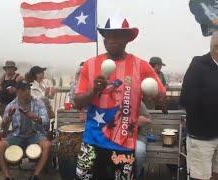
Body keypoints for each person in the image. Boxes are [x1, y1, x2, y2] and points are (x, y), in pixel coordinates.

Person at [74, 14, 166, 180]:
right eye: (108, 35)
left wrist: (155, 94)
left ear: (127, 39)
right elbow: (77, 102)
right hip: (93, 140)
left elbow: (161, 95)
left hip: (124, 142)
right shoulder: (89, 65)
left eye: (117, 35)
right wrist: (93, 91)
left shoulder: (142, 66)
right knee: (83, 178)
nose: (111, 39)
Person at [180, 31, 218, 180]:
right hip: (202, 135)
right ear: (215, 47)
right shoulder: (198, 65)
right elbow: (186, 99)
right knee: (201, 176)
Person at [0, 81, 51, 180]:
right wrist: (8, 118)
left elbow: (46, 122)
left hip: (34, 134)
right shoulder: (11, 105)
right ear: (18, 92)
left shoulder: (38, 103)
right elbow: (4, 127)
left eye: (28, 89)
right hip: (17, 135)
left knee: (47, 145)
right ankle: (8, 177)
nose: (27, 91)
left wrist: (35, 117)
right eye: (24, 90)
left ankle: (35, 176)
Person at [135, 102, 152, 180]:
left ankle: (136, 176)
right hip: (116, 136)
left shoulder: (137, 101)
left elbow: (148, 120)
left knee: (139, 151)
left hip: (138, 136)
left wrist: (137, 120)